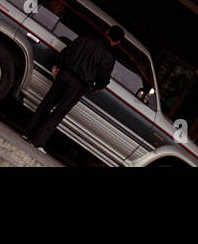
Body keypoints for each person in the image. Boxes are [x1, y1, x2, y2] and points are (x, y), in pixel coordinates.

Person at [24, 24, 125, 152]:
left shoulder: (86, 38)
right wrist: (97, 87)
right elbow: (103, 78)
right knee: (58, 113)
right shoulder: (109, 56)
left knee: (46, 103)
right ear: (117, 42)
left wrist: (59, 65)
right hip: (79, 85)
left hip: (64, 74)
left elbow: (67, 51)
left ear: (107, 31)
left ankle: (27, 133)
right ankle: (38, 141)